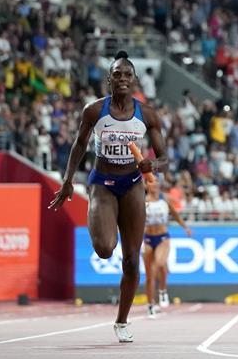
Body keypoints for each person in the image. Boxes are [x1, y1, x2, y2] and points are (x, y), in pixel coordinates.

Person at [49, 51, 168, 343]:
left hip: (132, 185)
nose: (123, 79)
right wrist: (67, 182)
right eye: (117, 74)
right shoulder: (94, 111)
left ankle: (122, 321)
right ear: (109, 80)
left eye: (128, 75)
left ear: (134, 80)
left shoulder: (148, 115)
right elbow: (78, 146)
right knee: (104, 249)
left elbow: (164, 158)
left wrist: (153, 164)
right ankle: (105, 229)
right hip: (102, 183)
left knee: (131, 261)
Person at [142, 177, 191, 318]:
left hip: (163, 237)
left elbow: (175, 215)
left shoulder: (165, 199)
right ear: (146, 185)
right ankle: (151, 305)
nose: (155, 184)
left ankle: (162, 290)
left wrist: (185, 228)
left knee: (160, 264)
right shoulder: (142, 201)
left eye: (157, 182)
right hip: (147, 238)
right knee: (149, 275)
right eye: (151, 182)